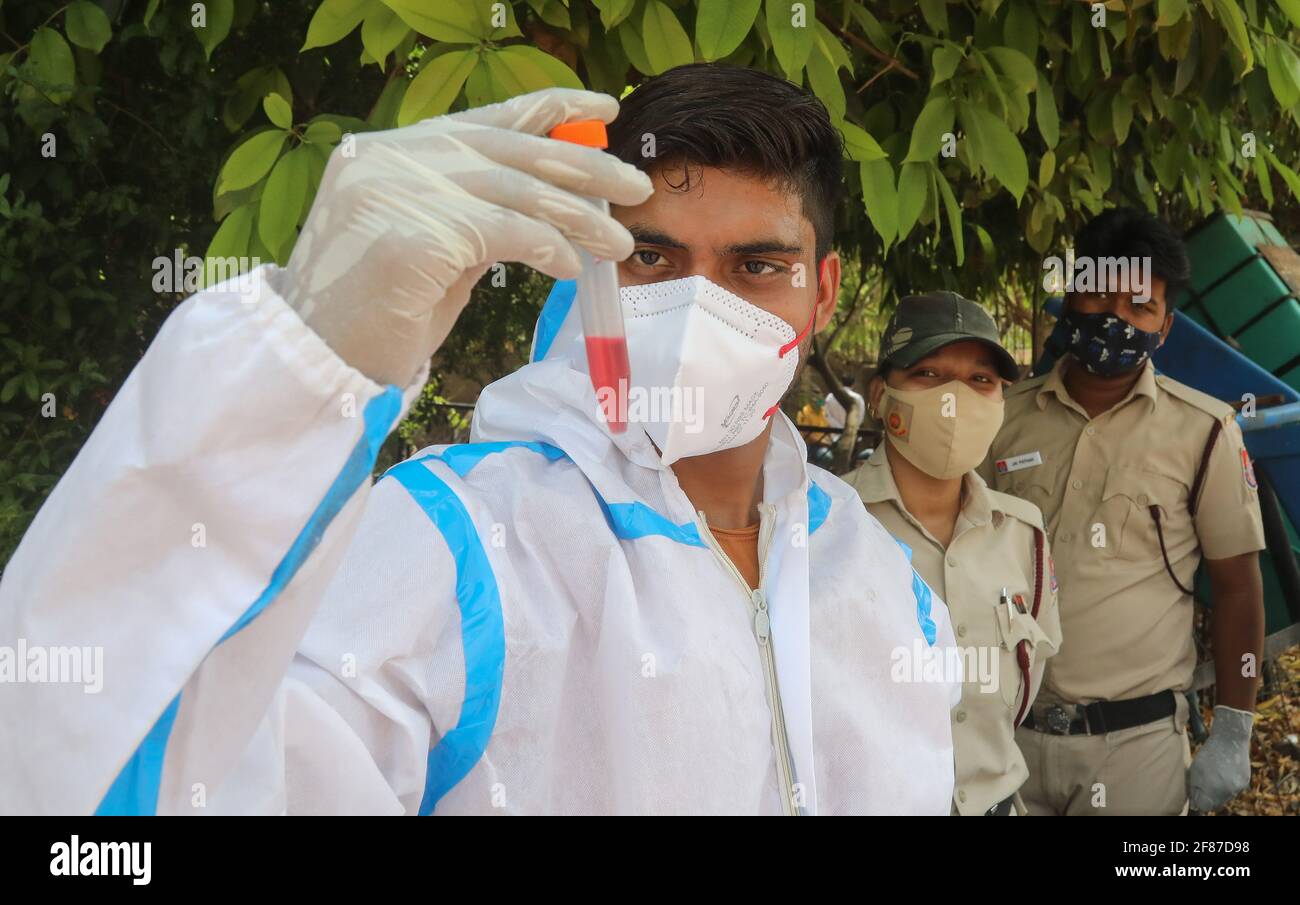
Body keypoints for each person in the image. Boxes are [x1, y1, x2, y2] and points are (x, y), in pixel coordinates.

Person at [0, 65, 959, 815]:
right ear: (590, 266)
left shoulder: (884, 585)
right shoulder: (456, 541)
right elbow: (111, 787)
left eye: (757, 266)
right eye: (652, 257)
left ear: (824, 292)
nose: (698, 304)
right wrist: (302, 359)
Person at [980, 208, 1266, 815]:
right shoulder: (1000, 420)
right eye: (1101, 295)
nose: (1117, 318)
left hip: (1134, 750)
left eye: (1140, 307)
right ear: (1071, 295)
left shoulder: (1205, 432)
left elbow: (1239, 588)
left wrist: (1234, 729)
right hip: (1005, 736)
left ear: (1164, 328)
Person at [846, 293, 1061, 816]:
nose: (955, 398)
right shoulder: (829, 524)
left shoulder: (1022, 533)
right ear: (880, 395)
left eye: (980, 380)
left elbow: (1031, 679)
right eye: (929, 373)